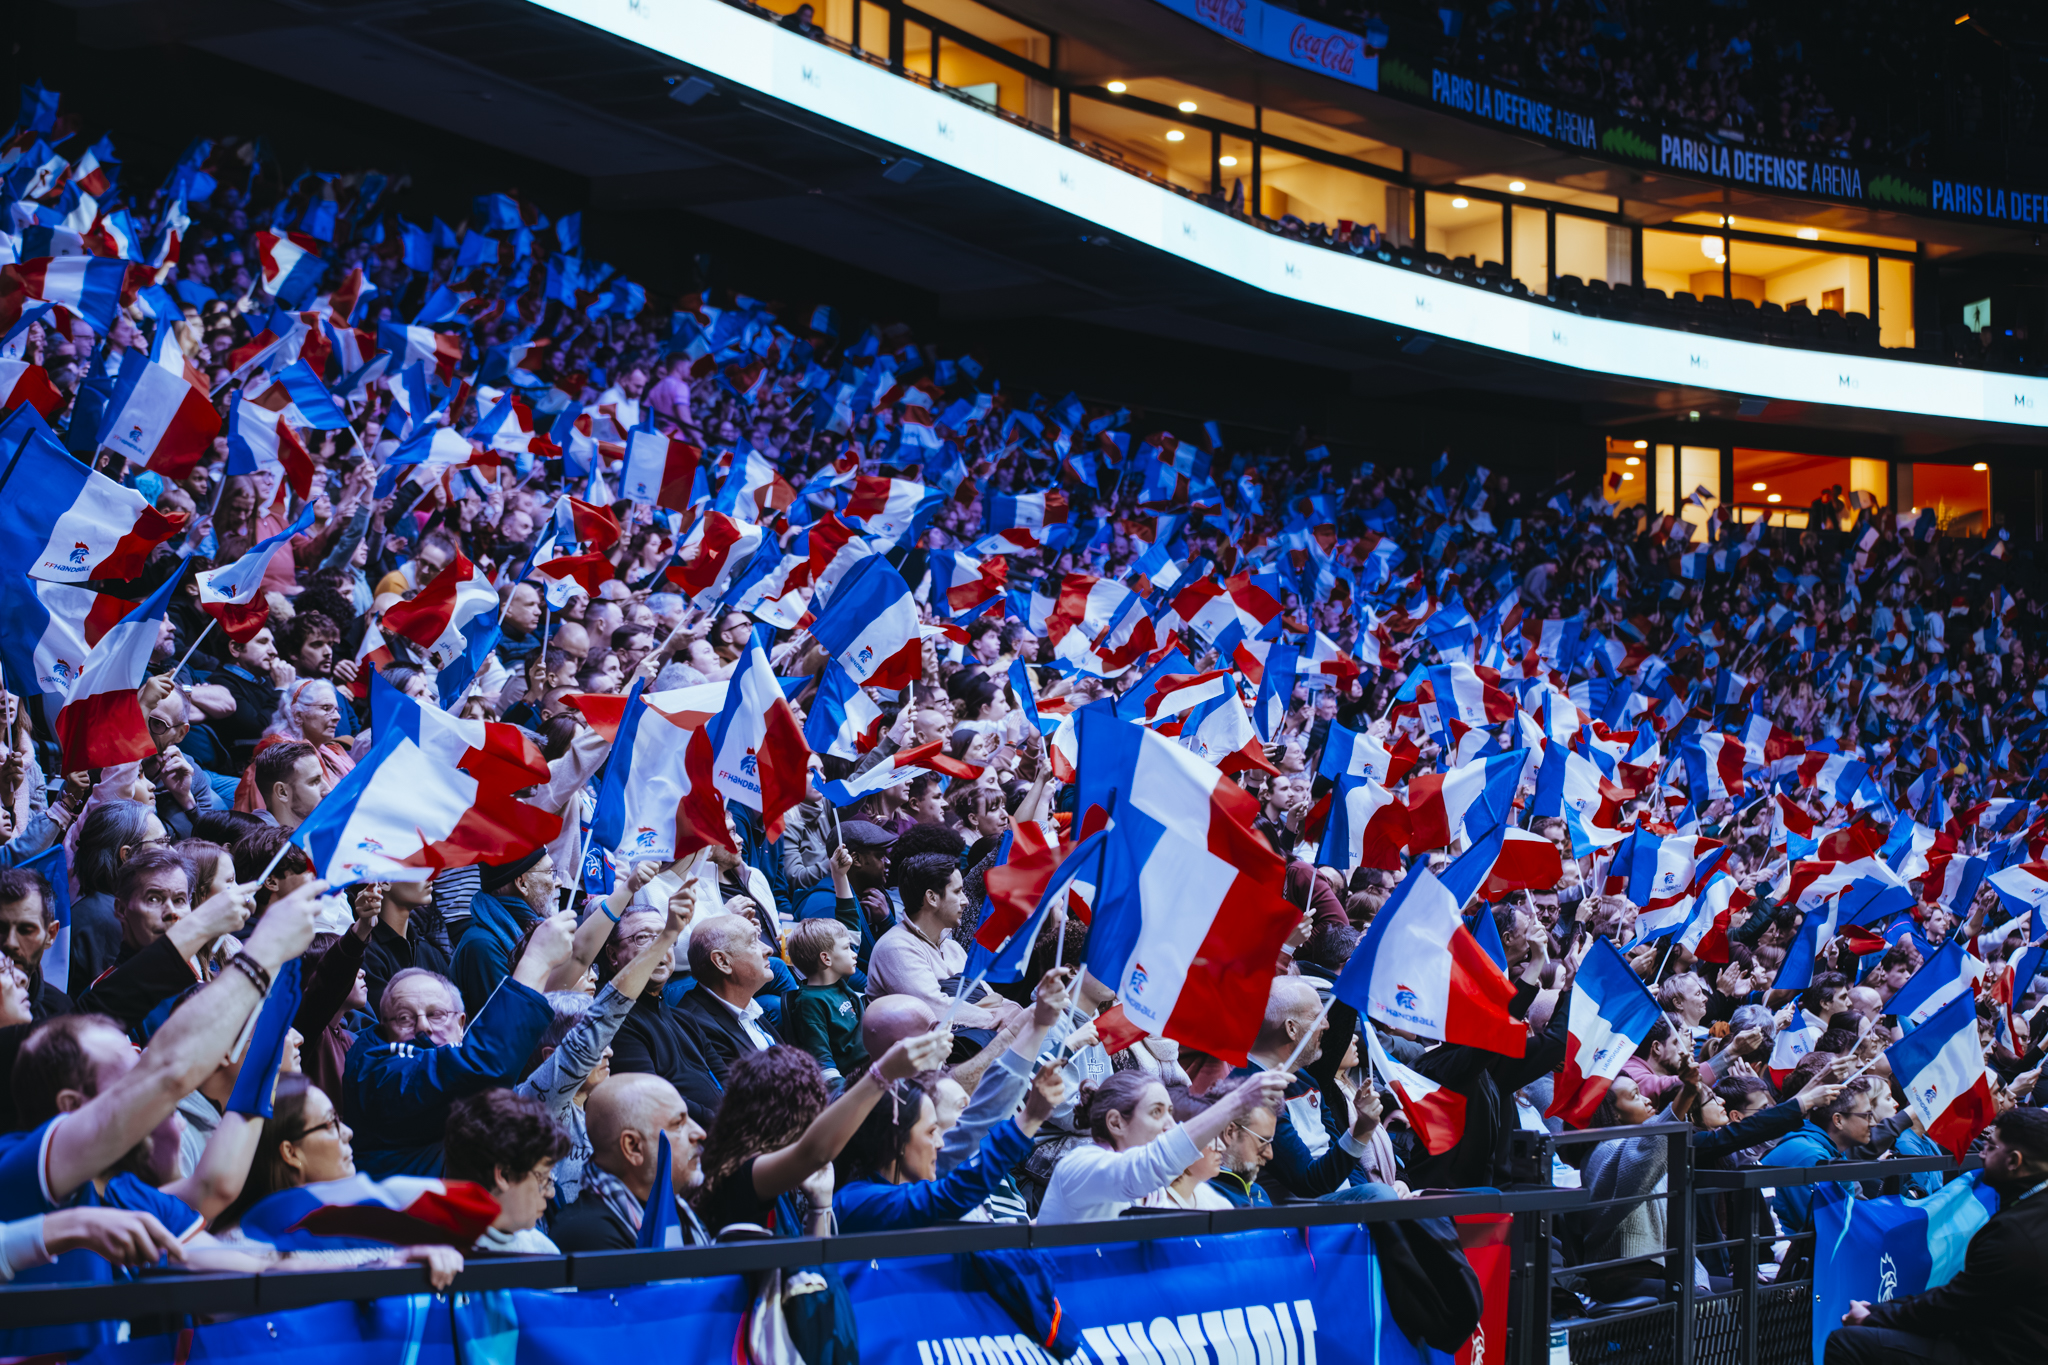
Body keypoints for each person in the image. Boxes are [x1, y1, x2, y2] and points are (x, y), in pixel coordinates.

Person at [0, 880, 327, 1357]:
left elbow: (247, 1258)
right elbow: (167, 1072)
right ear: (70, 1107)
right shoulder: (17, 1172)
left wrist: (390, 1263)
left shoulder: (124, 1194)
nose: (143, 1075)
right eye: (127, 1074)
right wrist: (263, 952)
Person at [342, 910, 574, 1177]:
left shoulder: (456, 1055)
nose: (423, 1026)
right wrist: (535, 959)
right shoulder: (378, 1073)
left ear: (461, 1023)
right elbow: (481, 1065)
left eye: (436, 1014)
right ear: (384, 1027)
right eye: (404, 1018)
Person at [1828, 1106, 2048, 1365]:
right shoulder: (2029, 1210)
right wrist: (1881, 1311)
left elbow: (1955, 1305)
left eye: (1990, 1146)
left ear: (2013, 1161)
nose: (1982, 1153)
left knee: (1846, 1342)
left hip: (1999, 1352)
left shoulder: (2015, 1233)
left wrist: (1871, 1317)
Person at [514, 890, 687, 1205]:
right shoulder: (543, 1105)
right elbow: (605, 1015)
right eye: (596, 1049)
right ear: (553, 1060)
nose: (609, 1052)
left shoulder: (596, 1108)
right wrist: (665, 936)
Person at [692, 1029, 952, 1236]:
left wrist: (821, 1206)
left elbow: (813, 1262)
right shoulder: (740, 1174)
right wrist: (884, 1073)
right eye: (812, 1113)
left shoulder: (787, 1183)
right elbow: (814, 1152)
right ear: (786, 1119)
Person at [1036, 1067, 1289, 1223]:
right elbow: (1141, 1170)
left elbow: (1225, 1223)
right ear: (1116, 1123)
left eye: (1170, 1112)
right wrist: (1237, 1101)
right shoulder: (1079, 1166)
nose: (1170, 1125)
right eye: (1156, 1112)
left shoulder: (1159, 1190)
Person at [832, 1064, 1065, 1232]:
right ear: (897, 1140)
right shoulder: (855, 1201)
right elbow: (954, 1194)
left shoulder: (916, 1191)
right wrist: (1030, 1118)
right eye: (930, 1131)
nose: (940, 1143)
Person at [551, 1073, 712, 1250]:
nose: (700, 1133)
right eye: (678, 1124)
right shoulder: (588, 1237)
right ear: (633, 1146)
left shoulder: (683, 1215)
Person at [867, 852, 1019, 1035]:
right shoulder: (896, 947)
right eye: (957, 891)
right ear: (932, 898)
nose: (965, 901)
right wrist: (1001, 1020)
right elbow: (935, 1009)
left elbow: (991, 997)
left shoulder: (953, 947)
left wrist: (1015, 1012)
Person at [441, 1089, 571, 1254]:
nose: (551, 1193)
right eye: (544, 1178)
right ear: (503, 1175)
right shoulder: (434, 1254)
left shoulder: (542, 1249)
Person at [1758, 1077, 1883, 1236]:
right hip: (1782, 1247)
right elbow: (1831, 1227)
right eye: (1867, 1115)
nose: (1873, 1123)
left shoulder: (1828, 1150)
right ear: (1838, 1120)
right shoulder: (1810, 1156)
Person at [676, 913, 784, 1085]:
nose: (768, 949)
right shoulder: (695, 1026)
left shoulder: (747, 1006)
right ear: (722, 962)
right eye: (753, 942)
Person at [781, 917, 867, 1087]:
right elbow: (821, 1059)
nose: (854, 953)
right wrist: (840, 1092)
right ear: (826, 959)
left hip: (874, 1061)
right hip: (856, 1080)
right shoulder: (809, 1003)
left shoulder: (838, 984)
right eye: (846, 948)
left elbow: (851, 918)